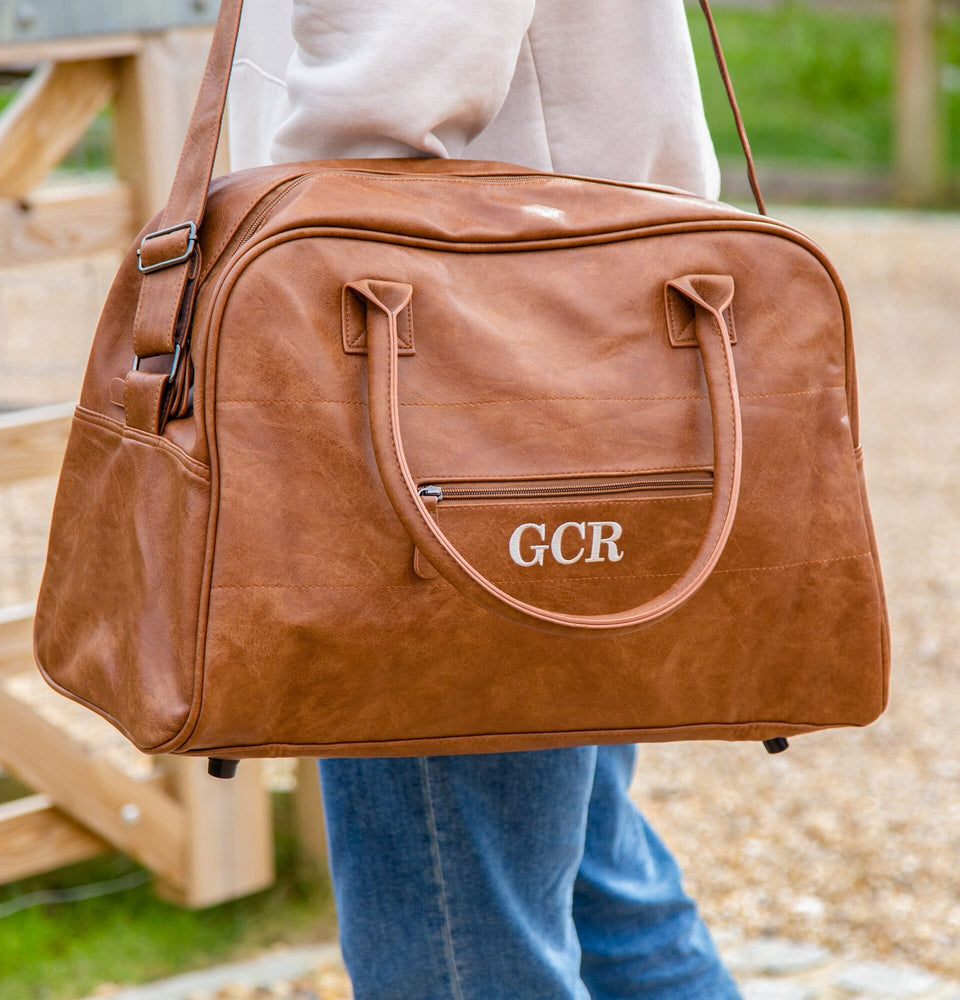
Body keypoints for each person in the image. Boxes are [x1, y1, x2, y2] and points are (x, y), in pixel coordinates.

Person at [228, 3, 742, 998]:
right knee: (587, 882)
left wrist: (250, 261)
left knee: (458, 926)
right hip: (585, 352)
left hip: (449, 382)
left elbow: (379, 103)